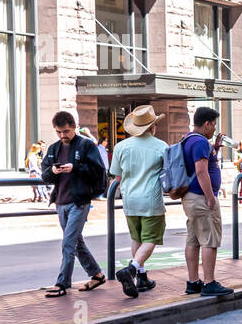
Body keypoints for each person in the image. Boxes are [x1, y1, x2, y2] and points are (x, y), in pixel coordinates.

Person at [40, 111, 109, 297]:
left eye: (66, 131)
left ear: (74, 127)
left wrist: (75, 168)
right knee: (76, 242)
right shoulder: (54, 148)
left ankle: (62, 284)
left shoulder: (86, 145)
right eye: (59, 132)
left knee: (68, 243)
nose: (63, 135)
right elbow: (44, 175)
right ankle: (97, 274)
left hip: (79, 202)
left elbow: (99, 172)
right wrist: (53, 170)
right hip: (60, 202)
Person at [109, 106, 168, 298]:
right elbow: (168, 174)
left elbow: (117, 177)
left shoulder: (121, 147)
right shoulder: (161, 146)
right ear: (153, 127)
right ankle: (132, 269)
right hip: (151, 198)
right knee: (151, 239)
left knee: (137, 238)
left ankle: (142, 277)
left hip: (129, 198)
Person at [182, 107, 234, 297]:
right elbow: (201, 171)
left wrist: (215, 149)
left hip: (190, 197)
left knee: (193, 240)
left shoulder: (188, 139)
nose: (214, 128)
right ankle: (209, 282)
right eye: (213, 124)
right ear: (206, 124)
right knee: (209, 241)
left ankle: (193, 282)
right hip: (201, 198)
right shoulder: (201, 143)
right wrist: (210, 196)